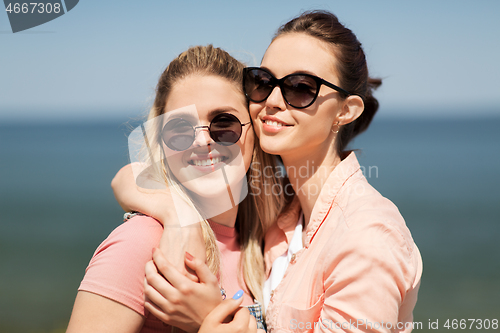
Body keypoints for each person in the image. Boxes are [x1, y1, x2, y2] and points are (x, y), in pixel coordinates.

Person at [114, 10, 423, 333]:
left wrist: (211, 317)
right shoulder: (274, 214)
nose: (273, 100)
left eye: (301, 88)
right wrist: (173, 212)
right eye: (263, 82)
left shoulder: (365, 237)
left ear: (346, 111)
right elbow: (131, 176)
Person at [66, 45, 286, 333]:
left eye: (224, 123)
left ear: (254, 132)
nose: (202, 141)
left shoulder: (267, 243)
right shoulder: (142, 244)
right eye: (180, 128)